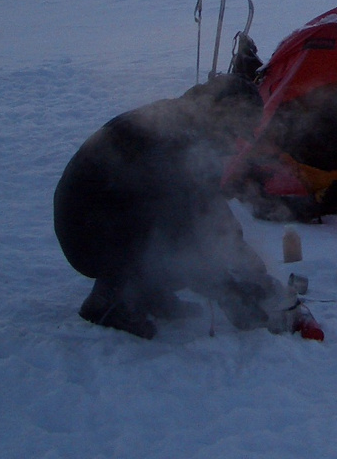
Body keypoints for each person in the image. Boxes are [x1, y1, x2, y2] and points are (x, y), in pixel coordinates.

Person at [53, 73, 286, 339]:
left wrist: (253, 272)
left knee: (170, 227)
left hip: (104, 218)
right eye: (234, 131)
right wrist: (228, 292)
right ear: (221, 114)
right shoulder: (174, 137)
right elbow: (185, 229)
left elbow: (212, 212)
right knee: (167, 230)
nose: (234, 143)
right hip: (86, 233)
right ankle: (108, 304)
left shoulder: (190, 127)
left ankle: (150, 295)